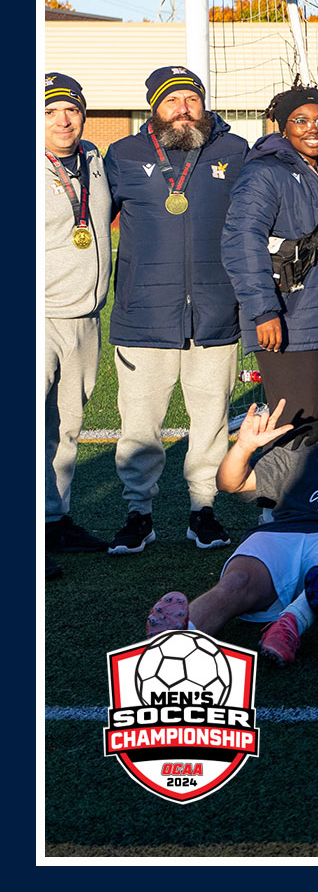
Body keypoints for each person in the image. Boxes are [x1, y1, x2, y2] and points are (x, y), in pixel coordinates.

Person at [141, 363, 318, 669]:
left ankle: (291, 622)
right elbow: (231, 483)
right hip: (282, 535)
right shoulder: (308, 449)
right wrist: (242, 448)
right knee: (235, 583)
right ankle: (175, 643)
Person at [103, 66, 251, 554]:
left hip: (215, 313)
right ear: (154, 108)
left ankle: (202, 509)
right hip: (144, 316)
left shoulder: (234, 150)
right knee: (139, 423)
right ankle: (138, 513)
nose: (183, 109)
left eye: (192, 99)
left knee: (209, 418)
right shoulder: (122, 155)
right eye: (172, 101)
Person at [223, 84, 318, 434]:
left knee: (315, 429)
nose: (313, 129)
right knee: (290, 429)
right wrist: (264, 310)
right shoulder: (265, 172)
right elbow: (242, 241)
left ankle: (311, 491)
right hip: (290, 321)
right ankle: (273, 491)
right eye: (301, 121)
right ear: (282, 126)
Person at [44, 73, 114, 568]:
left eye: (70, 109)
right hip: (37, 314)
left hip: (86, 315)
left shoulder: (93, 158)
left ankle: (53, 520)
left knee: (68, 426)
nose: (62, 120)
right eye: (48, 112)